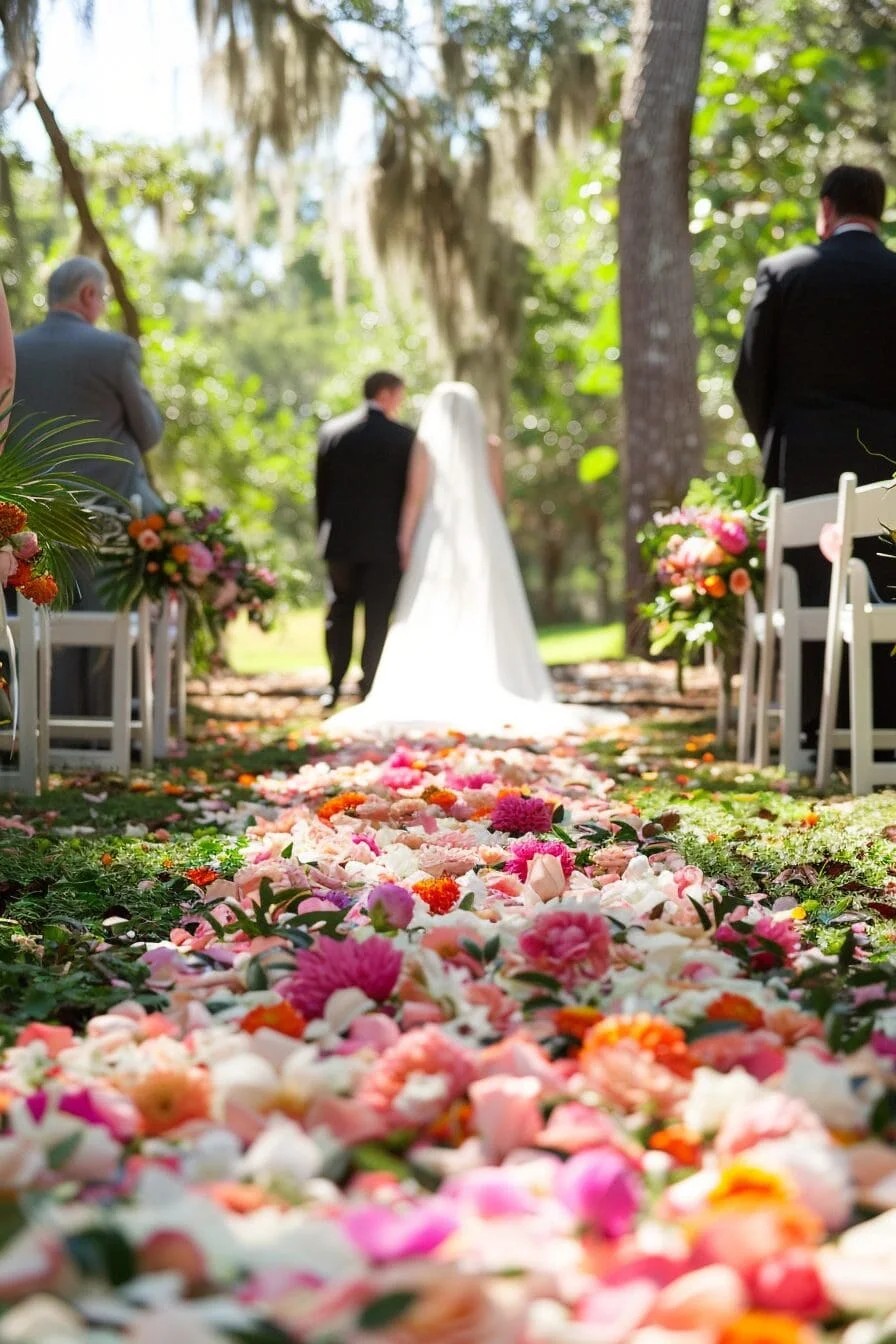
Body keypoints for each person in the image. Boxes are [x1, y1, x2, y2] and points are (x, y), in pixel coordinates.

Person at [325, 381, 627, 738]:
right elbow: (497, 498)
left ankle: (438, 680)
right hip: (483, 540)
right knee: (485, 609)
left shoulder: (424, 446)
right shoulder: (490, 446)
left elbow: (414, 499)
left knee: (433, 608)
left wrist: (404, 540)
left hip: (434, 538)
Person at [734, 164, 896, 745]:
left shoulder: (785, 272)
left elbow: (750, 377)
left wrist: (775, 440)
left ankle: (811, 727)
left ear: (825, 209)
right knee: (886, 585)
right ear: (877, 209)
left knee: (807, 589)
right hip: (890, 468)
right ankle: (882, 723)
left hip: (802, 463)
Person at [12, 256, 166, 719]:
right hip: (106, 518)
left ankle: (39, 728)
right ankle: (100, 728)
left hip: (30, 523)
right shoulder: (113, 351)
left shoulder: (13, 350)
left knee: (39, 624)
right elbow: (151, 431)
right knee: (104, 625)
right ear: (87, 295)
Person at [315, 370, 415, 709]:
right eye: (399, 396)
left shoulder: (332, 432)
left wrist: (322, 536)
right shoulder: (404, 438)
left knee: (339, 612)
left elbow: (321, 494)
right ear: (386, 394)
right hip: (385, 545)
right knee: (377, 617)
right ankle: (369, 685)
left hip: (339, 542)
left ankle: (334, 682)